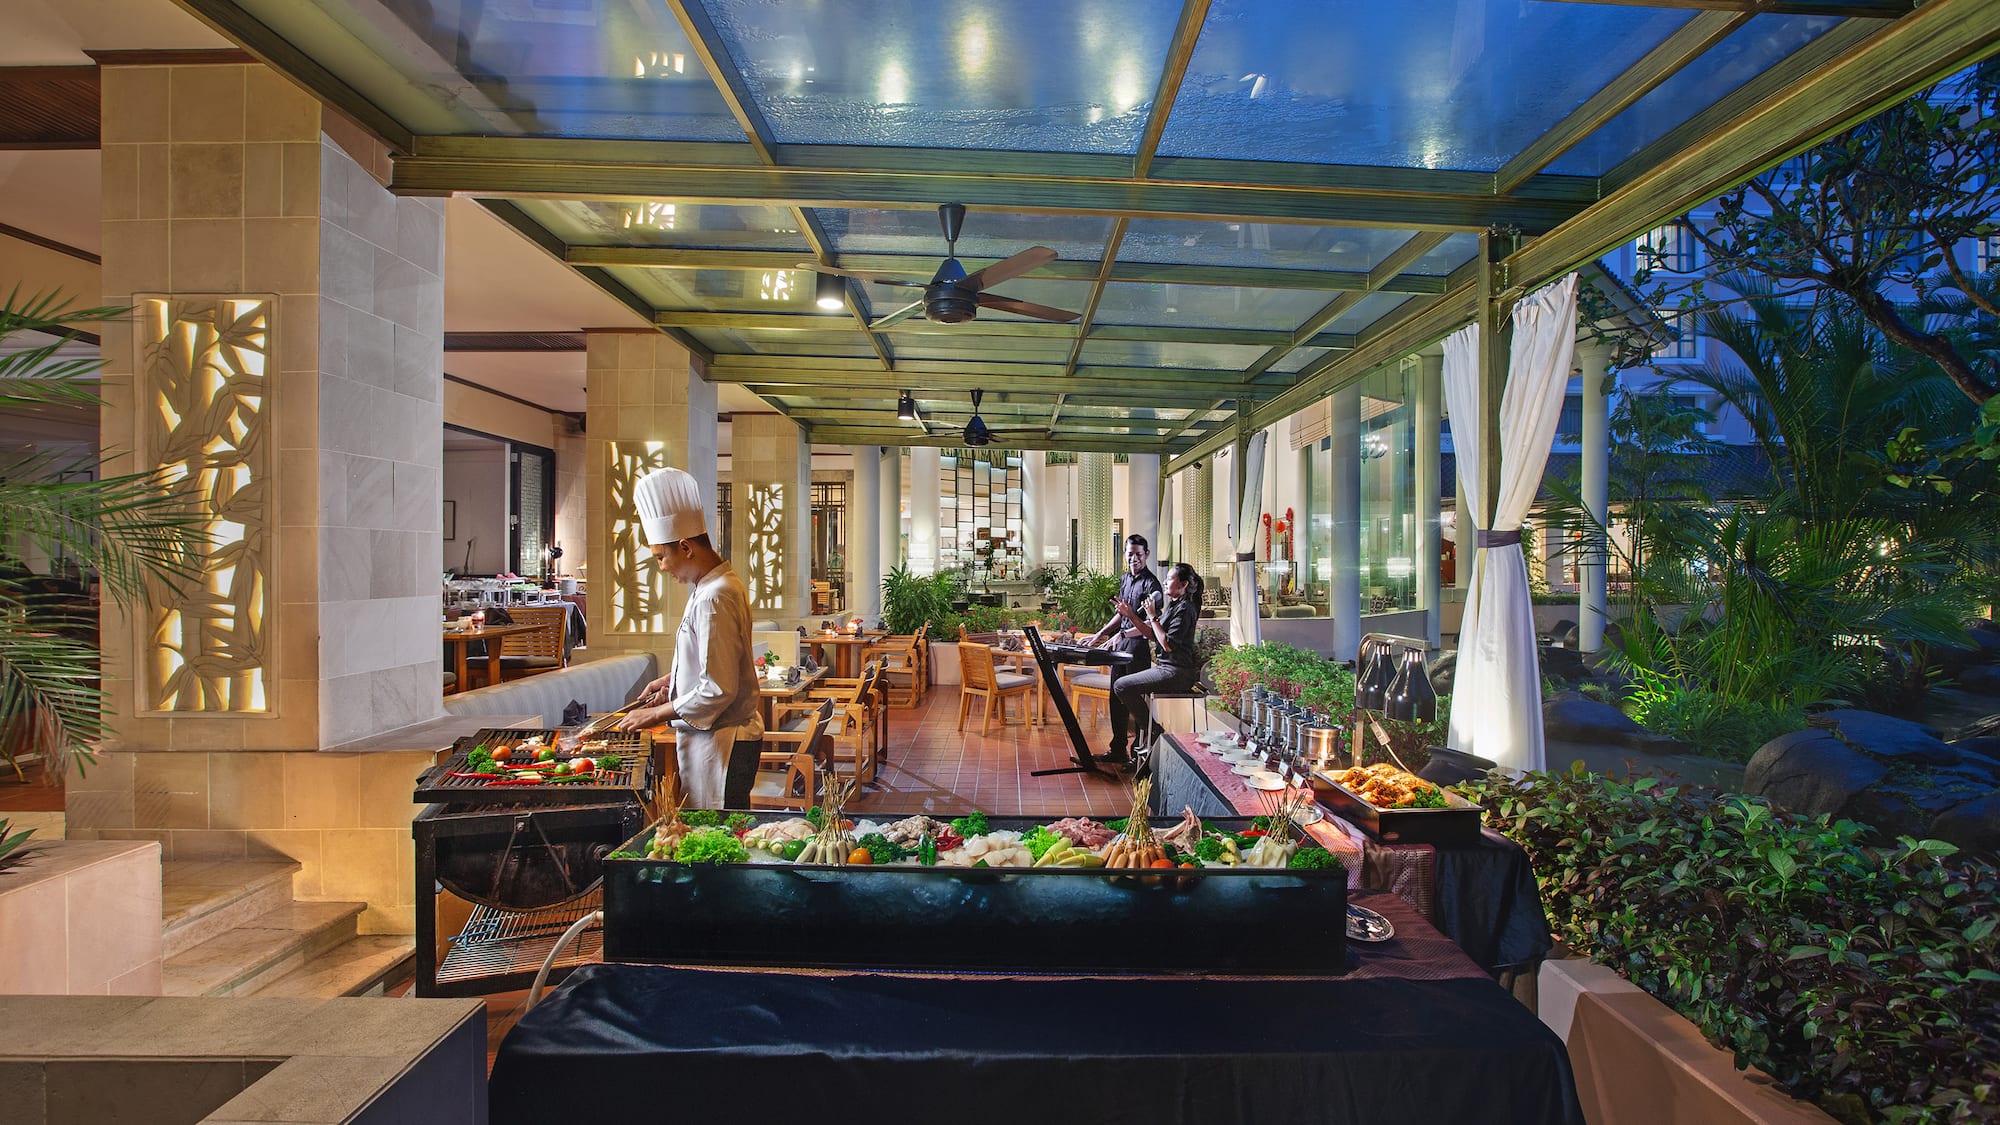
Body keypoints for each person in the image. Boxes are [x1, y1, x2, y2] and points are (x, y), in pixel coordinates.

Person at [617, 467, 764, 808]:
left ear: (684, 547)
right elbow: (715, 661)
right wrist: (671, 682)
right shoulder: (712, 586)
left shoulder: (716, 595)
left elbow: (719, 688)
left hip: (725, 743)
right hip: (718, 739)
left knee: (719, 840)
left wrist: (656, 715)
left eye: (660, 557)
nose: (662, 567)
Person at [1111, 562, 1205, 757]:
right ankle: (1150, 732)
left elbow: (1167, 644)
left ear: (1183, 584)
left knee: (1122, 686)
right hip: (1167, 668)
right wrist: (1131, 615)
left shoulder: (1186, 608)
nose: (1164, 581)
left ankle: (1153, 731)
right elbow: (1153, 635)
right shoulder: (1175, 605)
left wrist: (1153, 616)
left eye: (1170, 578)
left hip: (1176, 672)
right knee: (1122, 685)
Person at [1085, 534, 1162, 765]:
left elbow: (1148, 624)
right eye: (1130, 554)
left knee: (1135, 700)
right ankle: (1118, 748)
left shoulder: (1153, 585)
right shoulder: (1126, 579)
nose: (1134, 558)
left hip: (1137, 647)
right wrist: (1100, 634)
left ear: (1146, 554)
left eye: (1139, 554)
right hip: (1120, 644)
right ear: (1125, 555)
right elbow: (1121, 613)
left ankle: (1138, 753)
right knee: (1116, 697)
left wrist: (1122, 633)